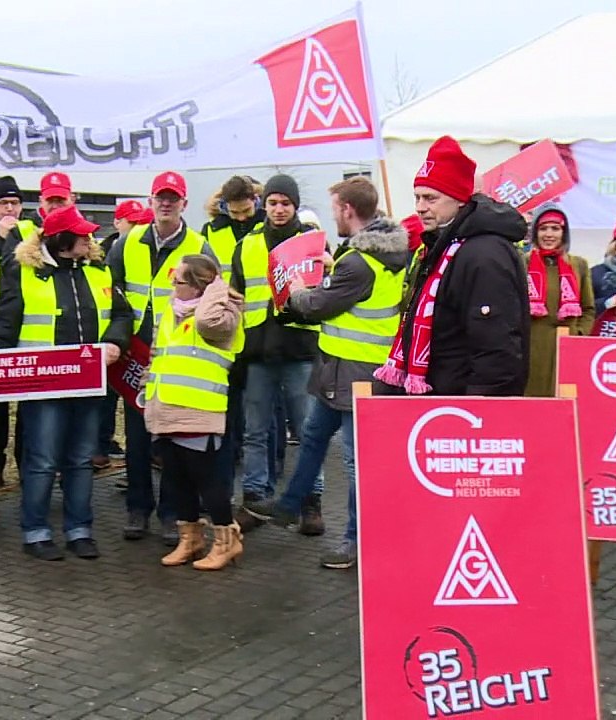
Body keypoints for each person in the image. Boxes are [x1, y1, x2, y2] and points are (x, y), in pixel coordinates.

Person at [247, 177, 409, 570]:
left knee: (355, 463)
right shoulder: (377, 254)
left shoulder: (357, 262)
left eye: (335, 208)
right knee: (315, 437)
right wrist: (334, 269)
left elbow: (318, 305)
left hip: (355, 376)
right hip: (342, 371)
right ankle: (288, 506)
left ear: (348, 210)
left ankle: (355, 540)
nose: (333, 214)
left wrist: (300, 288)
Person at [0, 205, 133, 560]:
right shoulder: (22, 272)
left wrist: (115, 340)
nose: (89, 239)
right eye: (81, 234)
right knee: (42, 459)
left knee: (81, 458)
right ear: (62, 239)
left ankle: (79, 529)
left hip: (87, 381)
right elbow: (4, 323)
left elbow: (122, 313)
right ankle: (36, 531)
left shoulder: (99, 271)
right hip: (44, 384)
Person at [107, 171, 217, 545]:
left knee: (170, 439)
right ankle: (138, 509)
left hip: (177, 354)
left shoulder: (200, 246)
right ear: (151, 201)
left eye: (173, 198)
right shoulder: (127, 242)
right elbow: (113, 294)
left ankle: (173, 515)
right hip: (135, 351)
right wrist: (120, 341)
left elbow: (213, 298)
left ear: (184, 203)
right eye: (160, 197)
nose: (166, 203)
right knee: (137, 437)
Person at [374, 135, 530, 396]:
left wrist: (476, 413)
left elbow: (496, 348)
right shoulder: (444, 244)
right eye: (417, 198)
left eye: (430, 198)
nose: (420, 208)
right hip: (439, 397)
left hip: (460, 408)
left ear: (459, 199)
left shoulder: (484, 255)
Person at [230, 174, 323, 533]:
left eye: (285, 203)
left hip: (299, 349)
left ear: (295, 206)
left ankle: (311, 502)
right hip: (257, 351)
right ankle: (255, 499)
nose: (279, 209)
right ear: (263, 205)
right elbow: (238, 296)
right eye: (273, 202)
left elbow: (320, 298)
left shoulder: (311, 243)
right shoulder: (248, 245)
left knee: (307, 432)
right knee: (255, 431)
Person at [147, 254, 245, 570]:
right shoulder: (170, 309)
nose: (173, 286)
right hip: (166, 406)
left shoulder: (223, 310)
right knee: (176, 479)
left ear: (199, 285)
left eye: (179, 281)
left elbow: (207, 324)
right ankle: (190, 539)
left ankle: (226, 542)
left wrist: (217, 289)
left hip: (201, 407)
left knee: (209, 482)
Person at [0, 175, 39, 492]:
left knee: (28, 402)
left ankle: (27, 464)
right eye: (3, 203)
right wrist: (1, 241)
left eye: (15, 203)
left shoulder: (32, 235)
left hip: (26, 330)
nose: (10, 209)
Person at [93, 200, 151, 469]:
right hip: (120, 340)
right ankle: (101, 444)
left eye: (143, 222)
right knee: (108, 397)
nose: (139, 227)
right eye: (134, 221)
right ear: (117, 222)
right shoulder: (111, 251)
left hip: (144, 341)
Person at [523, 204, 595, 397]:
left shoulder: (578, 265)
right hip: (532, 345)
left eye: (555, 228)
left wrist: (578, 335)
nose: (549, 234)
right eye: (543, 228)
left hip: (567, 344)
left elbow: (588, 308)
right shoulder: (523, 262)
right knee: (533, 402)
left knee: (564, 400)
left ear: (564, 233)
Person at [203, 175, 264, 278]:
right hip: (224, 293)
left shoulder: (270, 225)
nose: (241, 217)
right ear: (224, 206)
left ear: (256, 200)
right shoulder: (210, 230)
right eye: (234, 212)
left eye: (246, 210)